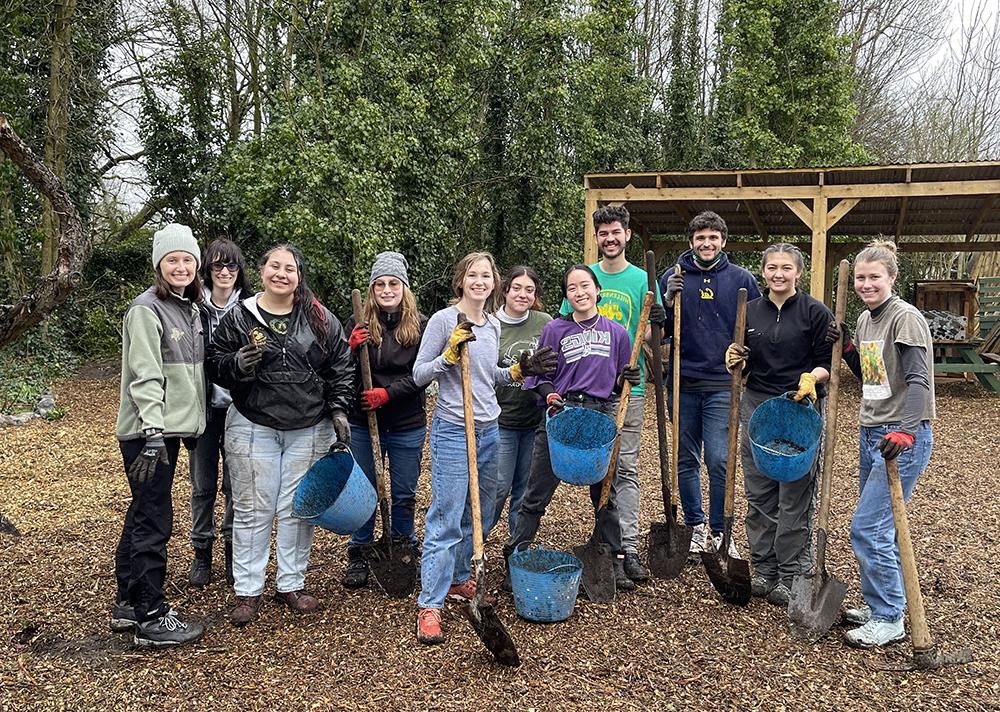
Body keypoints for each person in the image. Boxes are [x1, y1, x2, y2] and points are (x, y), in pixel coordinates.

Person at [411, 252, 556, 645]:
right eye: (473, 275)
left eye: (486, 275)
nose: (480, 281)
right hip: (454, 428)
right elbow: (420, 374)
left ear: (494, 282)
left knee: (478, 509)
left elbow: (489, 376)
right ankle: (430, 604)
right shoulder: (444, 320)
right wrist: (447, 355)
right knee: (446, 513)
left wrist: (517, 372)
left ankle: (459, 580)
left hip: (489, 427)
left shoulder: (491, 324)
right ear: (461, 280)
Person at [206, 244, 354, 628]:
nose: (281, 274)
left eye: (290, 268)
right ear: (262, 270)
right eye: (275, 266)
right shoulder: (241, 317)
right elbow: (214, 362)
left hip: (308, 425)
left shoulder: (320, 318)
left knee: (295, 509)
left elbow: (340, 365)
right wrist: (236, 364)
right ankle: (248, 590)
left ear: (299, 276)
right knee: (254, 508)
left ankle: (290, 583)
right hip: (254, 424)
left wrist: (338, 409)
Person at [826, 240, 935, 648]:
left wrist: (906, 431)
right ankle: (880, 604)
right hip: (872, 429)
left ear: (892, 278)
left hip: (900, 436)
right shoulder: (866, 321)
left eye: (875, 277)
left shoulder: (904, 318)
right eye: (860, 277)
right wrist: (847, 348)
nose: (866, 284)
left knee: (867, 527)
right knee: (878, 527)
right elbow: (872, 378)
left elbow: (920, 380)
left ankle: (890, 618)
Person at [504, 264, 639, 591]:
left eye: (585, 286)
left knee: (606, 492)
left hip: (599, 416)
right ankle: (515, 555)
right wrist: (549, 394)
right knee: (536, 491)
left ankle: (613, 557)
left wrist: (626, 380)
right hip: (560, 412)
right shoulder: (555, 331)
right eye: (572, 288)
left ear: (597, 290)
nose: (580, 293)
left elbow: (619, 379)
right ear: (566, 297)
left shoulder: (618, 334)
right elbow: (538, 377)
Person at [723, 244, 833, 607]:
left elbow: (826, 362)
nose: (778, 274)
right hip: (757, 404)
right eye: (772, 268)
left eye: (786, 268)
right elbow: (745, 359)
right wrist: (736, 359)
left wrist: (811, 378)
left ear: (798, 273)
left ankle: (791, 572)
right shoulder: (749, 310)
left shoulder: (814, 312)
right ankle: (765, 568)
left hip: (798, 404)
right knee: (759, 491)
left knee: (794, 495)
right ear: (763, 272)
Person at [112, 223, 206, 647]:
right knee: (154, 519)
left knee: (141, 513)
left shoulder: (190, 309)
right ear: (159, 265)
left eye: (187, 259)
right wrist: (153, 432)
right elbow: (146, 376)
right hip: (150, 435)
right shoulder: (146, 310)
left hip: (166, 431)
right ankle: (151, 615)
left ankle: (128, 603)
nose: (181, 266)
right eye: (173, 260)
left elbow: (190, 378)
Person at [559, 205, 664, 583]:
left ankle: (629, 548)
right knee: (599, 469)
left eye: (616, 231)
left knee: (626, 468)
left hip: (628, 389)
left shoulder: (641, 281)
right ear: (597, 238)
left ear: (627, 235)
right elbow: (563, 325)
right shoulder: (583, 277)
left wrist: (660, 327)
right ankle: (607, 542)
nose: (610, 238)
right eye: (603, 233)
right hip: (590, 394)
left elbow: (654, 332)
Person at [659, 210, 761, 555]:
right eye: (700, 238)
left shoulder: (741, 278)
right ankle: (695, 526)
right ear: (691, 242)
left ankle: (720, 530)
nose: (707, 243)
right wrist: (668, 298)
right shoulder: (671, 277)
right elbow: (657, 328)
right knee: (685, 460)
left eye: (713, 237)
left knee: (718, 459)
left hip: (721, 382)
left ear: (723, 241)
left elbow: (756, 327)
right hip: (682, 381)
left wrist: (748, 361)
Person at [340, 251, 429, 589]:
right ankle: (360, 551)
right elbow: (341, 374)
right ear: (372, 287)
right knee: (365, 491)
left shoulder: (420, 324)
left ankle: (402, 546)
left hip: (406, 422)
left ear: (404, 287)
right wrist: (349, 349)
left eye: (394, 283)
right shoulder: (359, 324)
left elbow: (422, 375)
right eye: (380, 284)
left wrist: (388, 393)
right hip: (365, 422)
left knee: (403, 492)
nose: (387, 289)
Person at [188, 239, 254, 588]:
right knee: (202, 485)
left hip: (239, 409)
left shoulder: (250, 309)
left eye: (231, 267)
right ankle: (201, 551)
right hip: (202, 408)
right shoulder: (193, 308)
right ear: (207, 271)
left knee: (235, 485)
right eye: (218, 266)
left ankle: (231, 550)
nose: (225, 273)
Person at [491, 266, 552, 538]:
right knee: (497, 488)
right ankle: (472, 544)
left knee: (524, 491)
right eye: (516, 288)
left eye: (529, 290)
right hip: (501, 420)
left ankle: (516, 550)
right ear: (505, 291)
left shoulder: (544, 322)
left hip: (534, 420)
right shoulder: (490, 324)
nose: (522, 294)